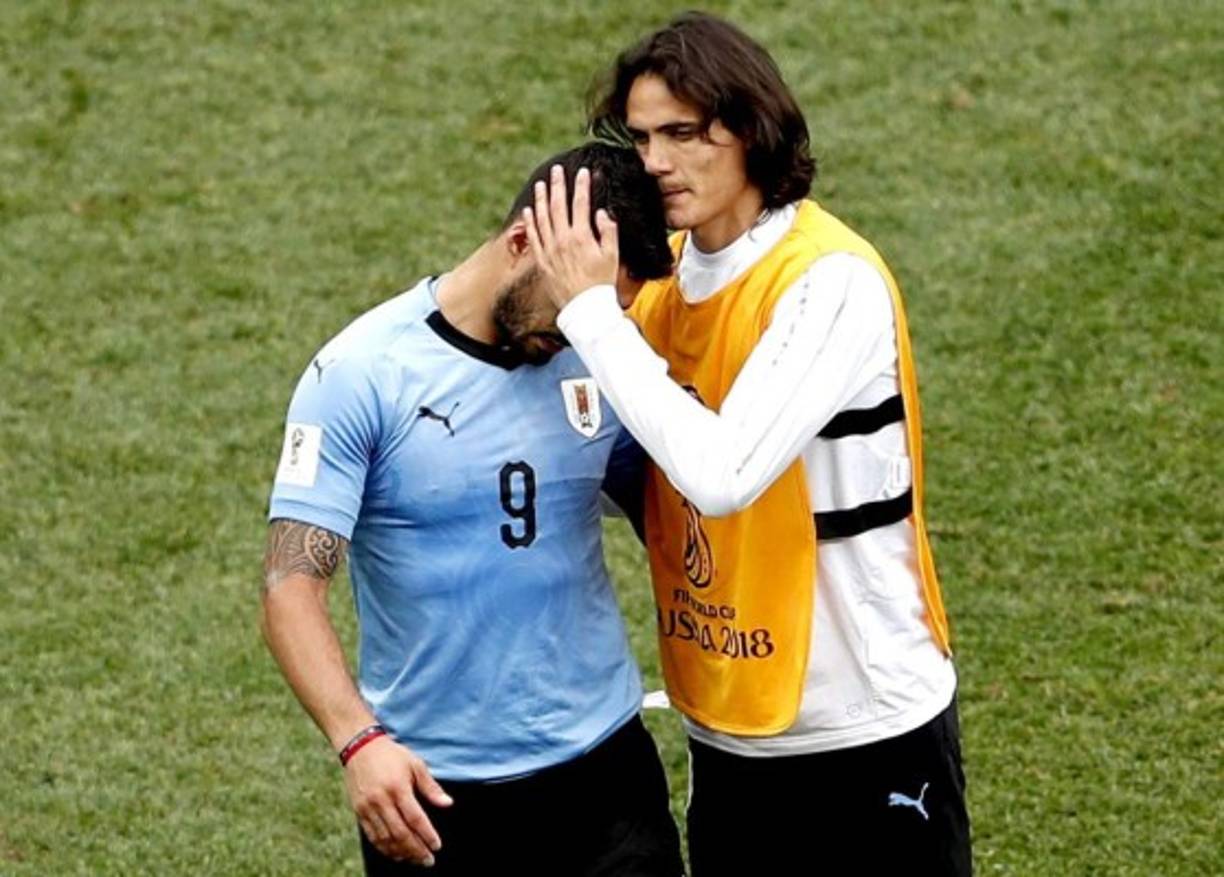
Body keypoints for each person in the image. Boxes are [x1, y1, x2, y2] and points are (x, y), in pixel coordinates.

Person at [524, 12, 972, 875]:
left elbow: (722, 472)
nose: (655, 162)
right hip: (728, 727)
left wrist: (589, 314)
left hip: (864, 727)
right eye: (641, 137)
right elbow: (633, 475)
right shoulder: (664, 283)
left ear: (752, 129)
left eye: (684, 133)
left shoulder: (828, 281)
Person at [260, 142, 684, 876]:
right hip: (439, 798)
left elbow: (668, 513)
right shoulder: (362, 374)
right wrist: (359, 742)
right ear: (521, 242)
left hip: (609, 776)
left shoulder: (596, 352)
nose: (582, 329)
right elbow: (289, 589)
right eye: (573, 303)